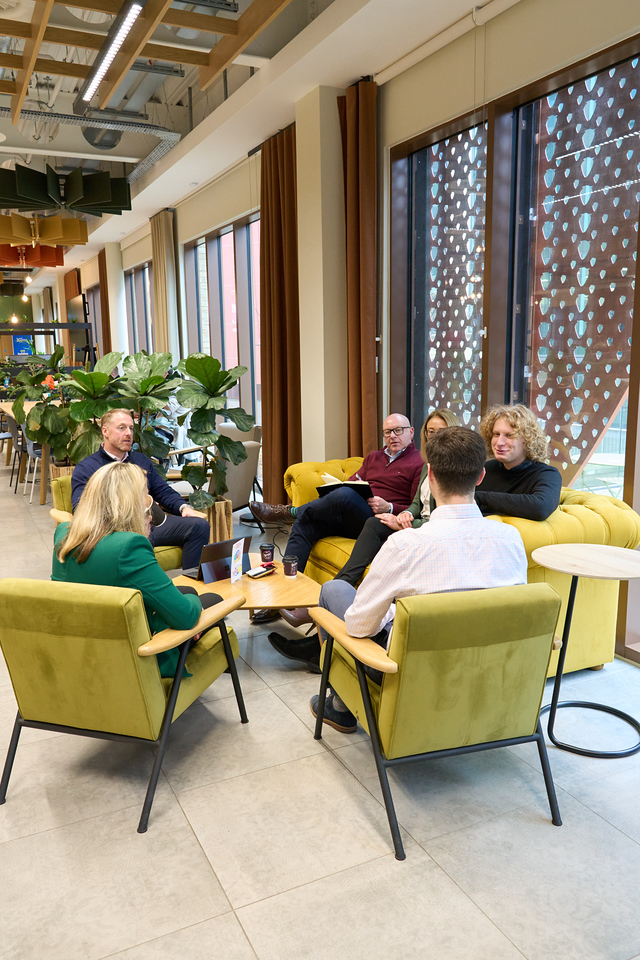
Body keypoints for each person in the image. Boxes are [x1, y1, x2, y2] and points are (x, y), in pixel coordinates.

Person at [310, 426, 528, 733]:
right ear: (480, 476)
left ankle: (340, 707)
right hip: (487, 669)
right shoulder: (511, 538)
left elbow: (359, 627)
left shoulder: (404, 545)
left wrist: (389, 615)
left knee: (333, 589)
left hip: (410, 671)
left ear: (431, 476)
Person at [53, 461, 222, 679]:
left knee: (187, 592)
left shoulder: (64, 533)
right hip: (135, 654)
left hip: (84, 642)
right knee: (211, 600)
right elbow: (187, 617)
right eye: (144, 493)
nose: (149, 501)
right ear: (129, 502)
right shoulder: (129, 547)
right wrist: (197, 608)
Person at [249, 413, 424, 574]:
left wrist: (389, 507)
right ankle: (289, 588)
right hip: (352, 516)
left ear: (411, 432)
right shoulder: (374, 457)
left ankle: (291, 512)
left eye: (398, 430)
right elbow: (352, 481)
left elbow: (416, 507)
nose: (392, 436)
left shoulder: (419, 463)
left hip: (378, 522)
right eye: (387, 432)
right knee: (304, 523)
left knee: (345, 494)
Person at [72, 409, 210, 571]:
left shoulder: (140, 461)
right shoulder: (87, 468)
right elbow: (80, 508)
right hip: (116, 530)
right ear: (105, 431)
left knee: (199, 526)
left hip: (149, 523)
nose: (128, 433)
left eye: (131, 428)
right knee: (140, 538)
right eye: (121, 428)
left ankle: (191, 582)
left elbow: (163, 491)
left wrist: (183, 507)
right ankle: (148, 585)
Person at [475, 403, 562, 521]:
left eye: (509, 435)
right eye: (496, 434)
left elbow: (541, 508)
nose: (499, 442)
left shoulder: (547, 474)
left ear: (528, 440)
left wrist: (482, 498)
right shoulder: (485, 469)